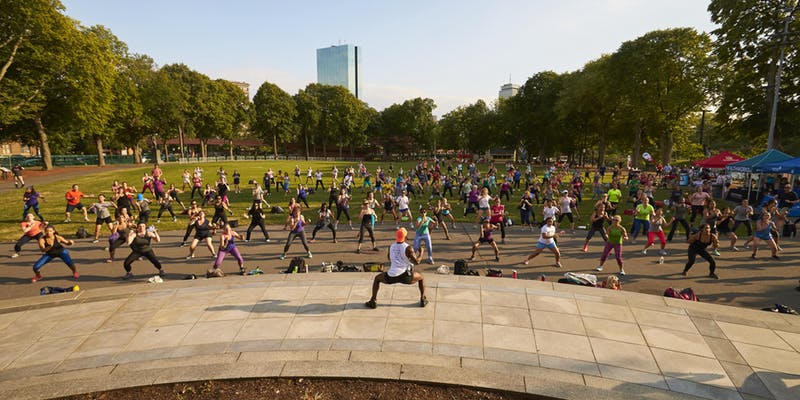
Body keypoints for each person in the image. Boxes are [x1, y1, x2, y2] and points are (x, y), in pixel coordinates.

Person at [365, 227, 427, 309]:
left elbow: (389, 258)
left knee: (377, 279)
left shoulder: (391, 246)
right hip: (405, 276)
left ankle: (373, 301)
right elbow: (417, 262)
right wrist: (421, 252)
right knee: (421, 277)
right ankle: (423, 299)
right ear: (405, 237)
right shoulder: (408, 248)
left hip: (391, 276)